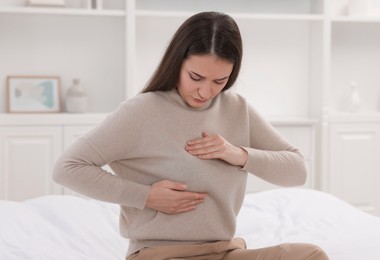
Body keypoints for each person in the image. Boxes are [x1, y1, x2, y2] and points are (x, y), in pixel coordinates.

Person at [53, 11, 329, 260]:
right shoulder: (141, 111)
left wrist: (237, 154)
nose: (205, 92)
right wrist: (146, 196)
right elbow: (67, 168)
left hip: (223, 250)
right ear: (177, 63)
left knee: (310, 255)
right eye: (196, 77)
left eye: (219, 81)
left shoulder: (236, 108)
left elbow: (297, 171)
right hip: (161, 253)